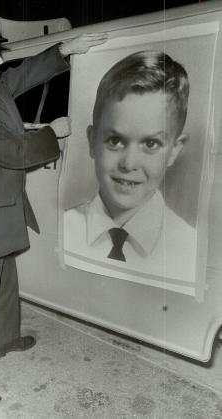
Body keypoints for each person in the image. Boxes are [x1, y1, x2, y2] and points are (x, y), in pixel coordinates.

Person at [0, 9, 108, 407]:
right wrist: (54, 131)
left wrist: (65, 48)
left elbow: (25, 74)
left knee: (5, 280)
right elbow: (14, 152)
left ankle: (3, 340)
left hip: (0, 205)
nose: (1, 60)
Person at [64, 50, 197, 280]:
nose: (129, 163)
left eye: (151, 143)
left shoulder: (189, 247)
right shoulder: (64, 228)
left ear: (174, 150)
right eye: (115, 141)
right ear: (92, 141)